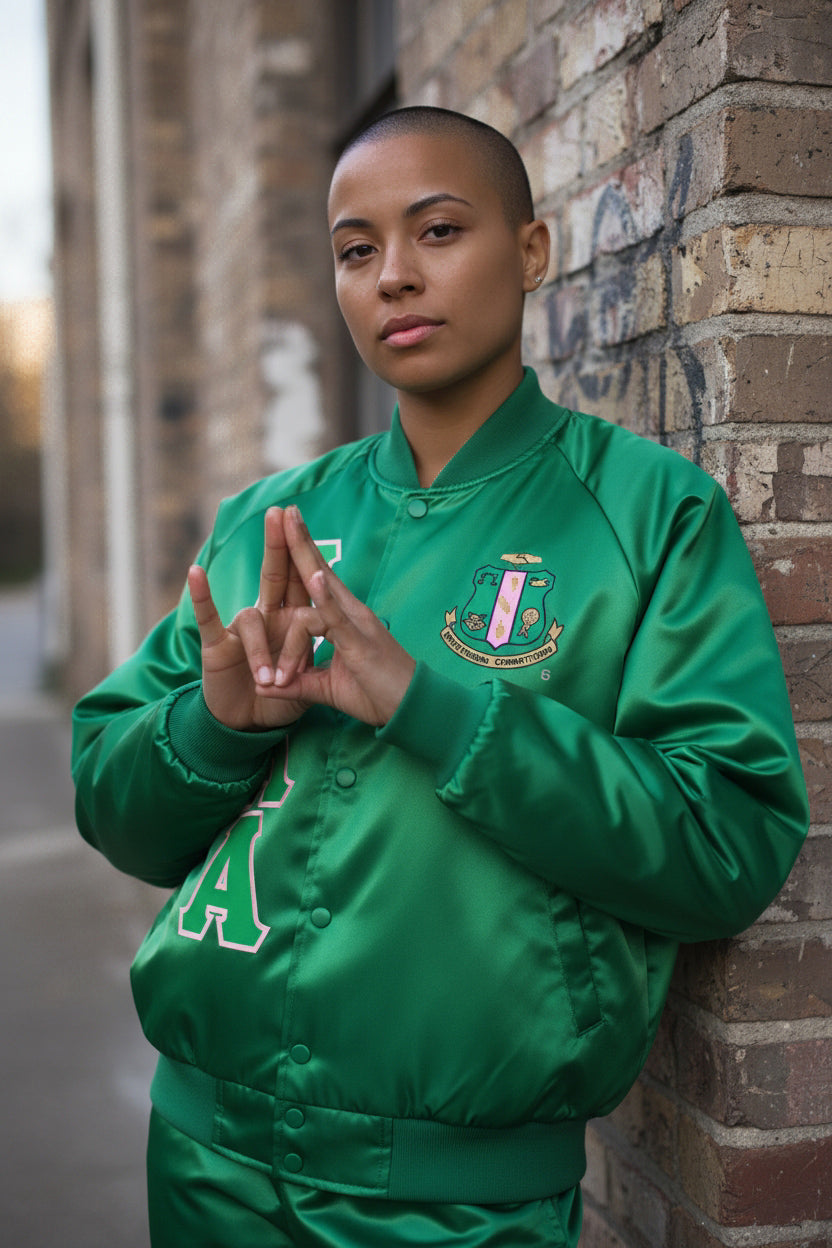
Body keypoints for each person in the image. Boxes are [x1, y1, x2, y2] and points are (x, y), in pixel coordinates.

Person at [72, 106, 809, 1248]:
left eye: (438, 231)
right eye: (357, 250)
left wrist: (436, 710)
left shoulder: (645, 515)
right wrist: (216, 725)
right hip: (205, 1156)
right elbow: (115, 811)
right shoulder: (266, 524)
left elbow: (727, 844)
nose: (394, 277)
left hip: (455, 1195)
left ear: (528, 252)